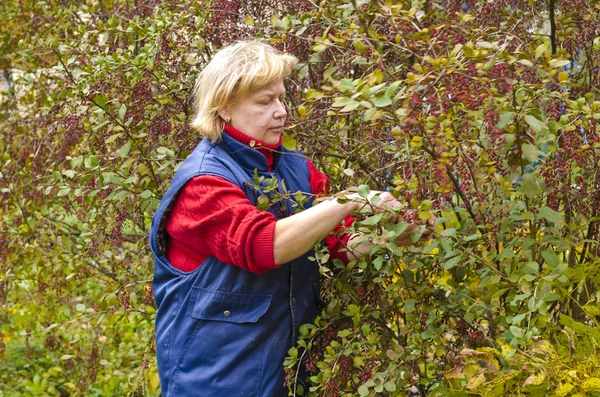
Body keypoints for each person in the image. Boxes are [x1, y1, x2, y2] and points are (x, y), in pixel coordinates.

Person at [149, 40, 430, 397]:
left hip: (287, 383)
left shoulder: (296, 170)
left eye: (281, 98)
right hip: (211, 384)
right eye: (265, 102)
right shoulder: (202, 183)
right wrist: (350, 201)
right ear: (223, 109)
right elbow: (264, 246)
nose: (281, 112)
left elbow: (338, 245)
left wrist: (395, 235)